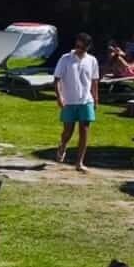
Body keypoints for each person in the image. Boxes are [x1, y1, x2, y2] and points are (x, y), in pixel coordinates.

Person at [54, 33, 99, 172]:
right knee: (68, 131)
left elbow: (94, 80)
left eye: (82, 46)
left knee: (84, 130)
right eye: (77, 45)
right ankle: (62, 146)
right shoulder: (65, 59)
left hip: (86, 100)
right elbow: (57, 79)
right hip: (69, 100)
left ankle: (79, 162)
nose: (79, 48)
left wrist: (96, 98)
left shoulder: (92, 60)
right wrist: (59, 96)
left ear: (88, 47)